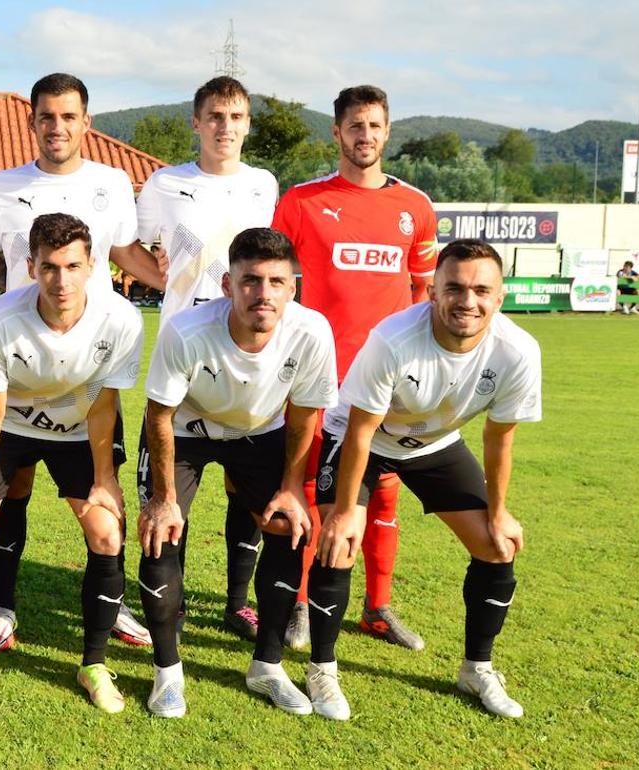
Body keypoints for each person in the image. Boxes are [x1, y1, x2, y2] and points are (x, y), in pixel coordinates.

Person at [0, 73, 166, 652]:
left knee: (108, 498)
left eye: (68, 116)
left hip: (89, 365)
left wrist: (184, 288)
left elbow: (126, 253)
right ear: (31, 121)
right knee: (15, 490)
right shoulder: (0, 187)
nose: (57, 126)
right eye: (46, 116)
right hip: (20, 358)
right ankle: (2, 605)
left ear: (86, 122)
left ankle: (115, 603)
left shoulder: (111, 181)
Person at [307, 238, 540, 720]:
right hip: (364, 440)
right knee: (339, 542)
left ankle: (476, 669)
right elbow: (361, 430)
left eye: (481, 290)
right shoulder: (394, 339)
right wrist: (347, 512)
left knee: (497, 546)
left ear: (500, 297)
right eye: (454, 287)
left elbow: (499, 440)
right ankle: (321, 670)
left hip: (435, 445)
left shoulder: (518, 351)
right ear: (433, 291)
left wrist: (498, 514)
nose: (467, 301)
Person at [137, 227, 335, 718]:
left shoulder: (312, 332)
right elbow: (158, 414)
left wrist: (291, 487)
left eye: (275, 281)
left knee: (289, 528)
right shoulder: (185, 330)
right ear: (228, 284)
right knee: (163, 531)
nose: (262, 293)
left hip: (258, 432)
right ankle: (168, 674)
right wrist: (162, 498)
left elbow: (306, 413)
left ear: (293, 287)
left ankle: (266, 667)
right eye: (250, 281)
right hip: (183, 430)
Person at [0, 213, 144, 714]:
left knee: (106, 533)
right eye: (50, 267)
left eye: (73, 267)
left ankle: (94, 664)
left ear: (92, 266)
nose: (62, 280)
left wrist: (105, 480)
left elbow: (105, 407)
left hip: (78, 431)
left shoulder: (120, 319)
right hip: (11, 425)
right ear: (32, 267)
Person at [271, 84, 437, 652]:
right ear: (336, 133)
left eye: (374, 126)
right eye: (354, 126)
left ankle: (378, 607)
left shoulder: (414, 207)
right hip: (318, 375)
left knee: (384, 491)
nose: (365, 136)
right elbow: (279, 283)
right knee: (318, 490)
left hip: (387, 379)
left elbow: (421, 293)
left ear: (387, 132)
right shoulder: (301, 202)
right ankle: (299, 603)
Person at [135, 75, 280, 642]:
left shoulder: (265, 185)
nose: (226, 126)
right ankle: (173, 598)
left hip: (248, 357)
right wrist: (164, 283)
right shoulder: (165, 183)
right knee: (172, 493)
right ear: (196, 123)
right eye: (215, 116)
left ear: (247, 124)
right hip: (184, 353)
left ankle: (237, 603)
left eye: (236, 117)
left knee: (247, 496)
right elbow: (130, 245)